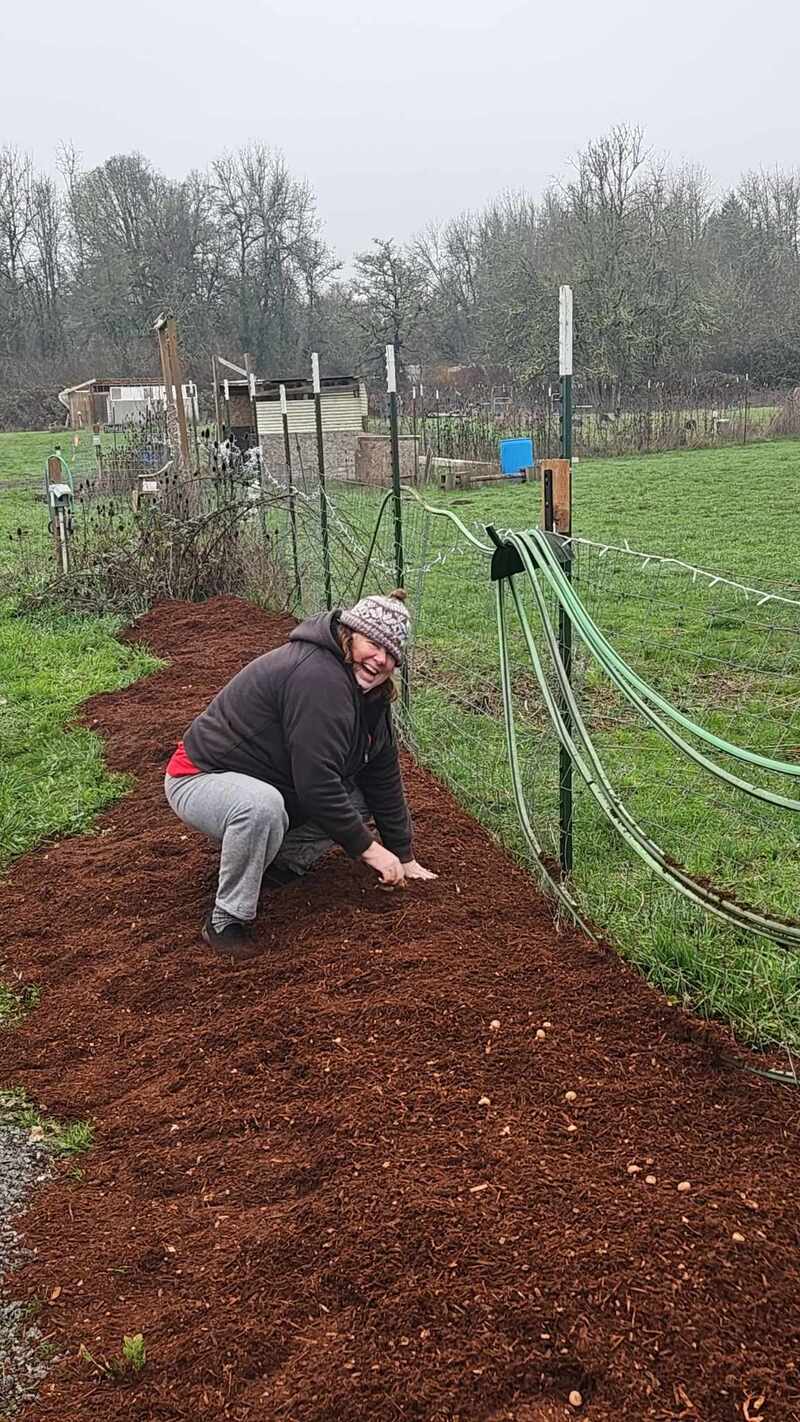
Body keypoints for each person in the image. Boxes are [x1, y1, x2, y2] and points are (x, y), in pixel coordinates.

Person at [164, 589, 436, 961]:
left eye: (391, 653)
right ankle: (226, 919)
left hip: (272, 780)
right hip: (201, 776)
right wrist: (372, 851)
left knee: (355, 799)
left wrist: (403, 855)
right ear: (350, 635)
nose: (380, 659)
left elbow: (381, 774)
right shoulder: (317, 677)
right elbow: (316, 785)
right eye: (373, 643)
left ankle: (279, 865)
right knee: (261, 808)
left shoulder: (370, 696)